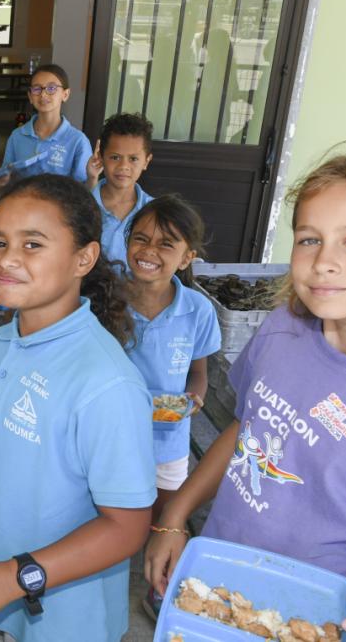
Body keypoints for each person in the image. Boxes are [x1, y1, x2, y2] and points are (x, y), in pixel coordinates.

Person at [144, 155, 346, 641]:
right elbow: (245, 428)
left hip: (327, 622)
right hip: (220, 587)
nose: (324, 260)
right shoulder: (284, 329)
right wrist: (174, 516)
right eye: (309, 238)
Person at [0, 175, 155, 642]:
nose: (7, 258)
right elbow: (5, 439)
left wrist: (16, 576)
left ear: (84, 258)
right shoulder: (1, 341)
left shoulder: (106, 384)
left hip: (62, 613)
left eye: (32, 244)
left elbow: (127, 526)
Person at [122, 195, 219, 519]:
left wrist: (194, 400)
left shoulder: (198, 310)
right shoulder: (107, 303)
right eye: (141, 239)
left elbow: (198, 372)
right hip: (111, 436)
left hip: (169, 443)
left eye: (166, 244)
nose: (149, 251)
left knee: (161, 522)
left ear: (186, 257)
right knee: (112, 519)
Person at [0, 65, 96, 185]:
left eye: (51, 88)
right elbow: (5, 176)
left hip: (60, 203)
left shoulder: (78, 141)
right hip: (23, 202)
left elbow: (83, 190)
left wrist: (92, 178)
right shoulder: (17, 135)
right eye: (37, 89)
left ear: (65, 95)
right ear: (30, 96)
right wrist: (2, 178)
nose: (43, 95)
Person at [90, 112, 154, 271]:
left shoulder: (153, 211)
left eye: (133, 159)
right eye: (115, 157)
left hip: (134, 294)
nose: (124, 166)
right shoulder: (82, 204)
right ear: (101, 157)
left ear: (146, 161)